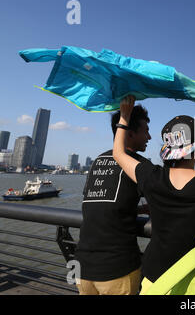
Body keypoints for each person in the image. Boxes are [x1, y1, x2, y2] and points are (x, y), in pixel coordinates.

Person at [113, 96, 195, 291]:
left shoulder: (152, 176)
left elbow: (119, 154)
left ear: (168, 148)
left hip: (155, 279)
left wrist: (124, 117)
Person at [74, 104, 151, 295]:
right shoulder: (139, 165)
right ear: (130, 133)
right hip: (117, 270)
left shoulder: (98, 161)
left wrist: (139, 210)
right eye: (146, 131)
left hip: (81, 268)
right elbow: (167, 202)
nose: (149, 137)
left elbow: (105, 204)